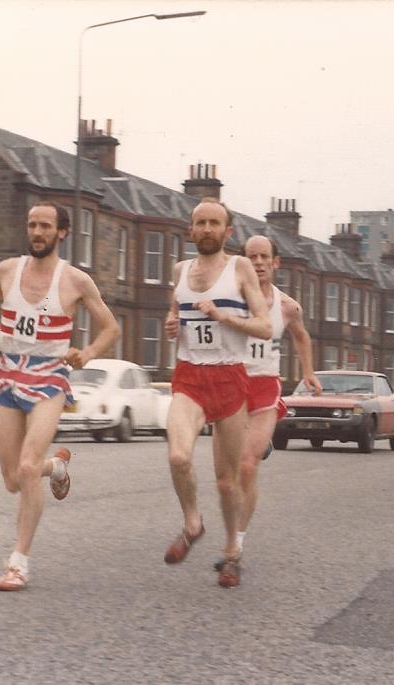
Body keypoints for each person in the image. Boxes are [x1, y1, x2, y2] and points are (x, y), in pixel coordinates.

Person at [0, 201, 120, 591]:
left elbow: (110, 328)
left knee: (25, 466)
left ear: (61, 233)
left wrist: (86, 353)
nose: (37, 233)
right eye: (32, 225)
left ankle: (18, 563)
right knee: (11, 479)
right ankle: (56, 467)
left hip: (50, 379)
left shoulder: (75, 280)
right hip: (8, 376)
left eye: (45, 226)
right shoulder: (7, 270)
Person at [163, 197, 271, 589]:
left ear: (228, 233)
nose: (206, 230)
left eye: (214, 224)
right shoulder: (180, 270)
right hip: (190, 376)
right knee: (178, 455)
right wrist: (173, 323)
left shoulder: (240, 268)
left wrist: (224, 316)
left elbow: (264, 327)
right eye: (200, 223)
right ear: (190, 230)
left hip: (229, 377)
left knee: (227, 482)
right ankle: (193, 523)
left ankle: (232, 553)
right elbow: (174, 312)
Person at [212, 234, 322, 570]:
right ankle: (258, 444)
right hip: (231, 386)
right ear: (241, 262)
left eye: (264, 257)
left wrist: (309, 372)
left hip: (264, 388)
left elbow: (302, 337)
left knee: (247, 466)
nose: (258, 263)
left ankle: (237, 544)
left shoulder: (287, 307)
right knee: (225, 477)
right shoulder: (228, 299)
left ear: (275, 263)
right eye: (251, 257)